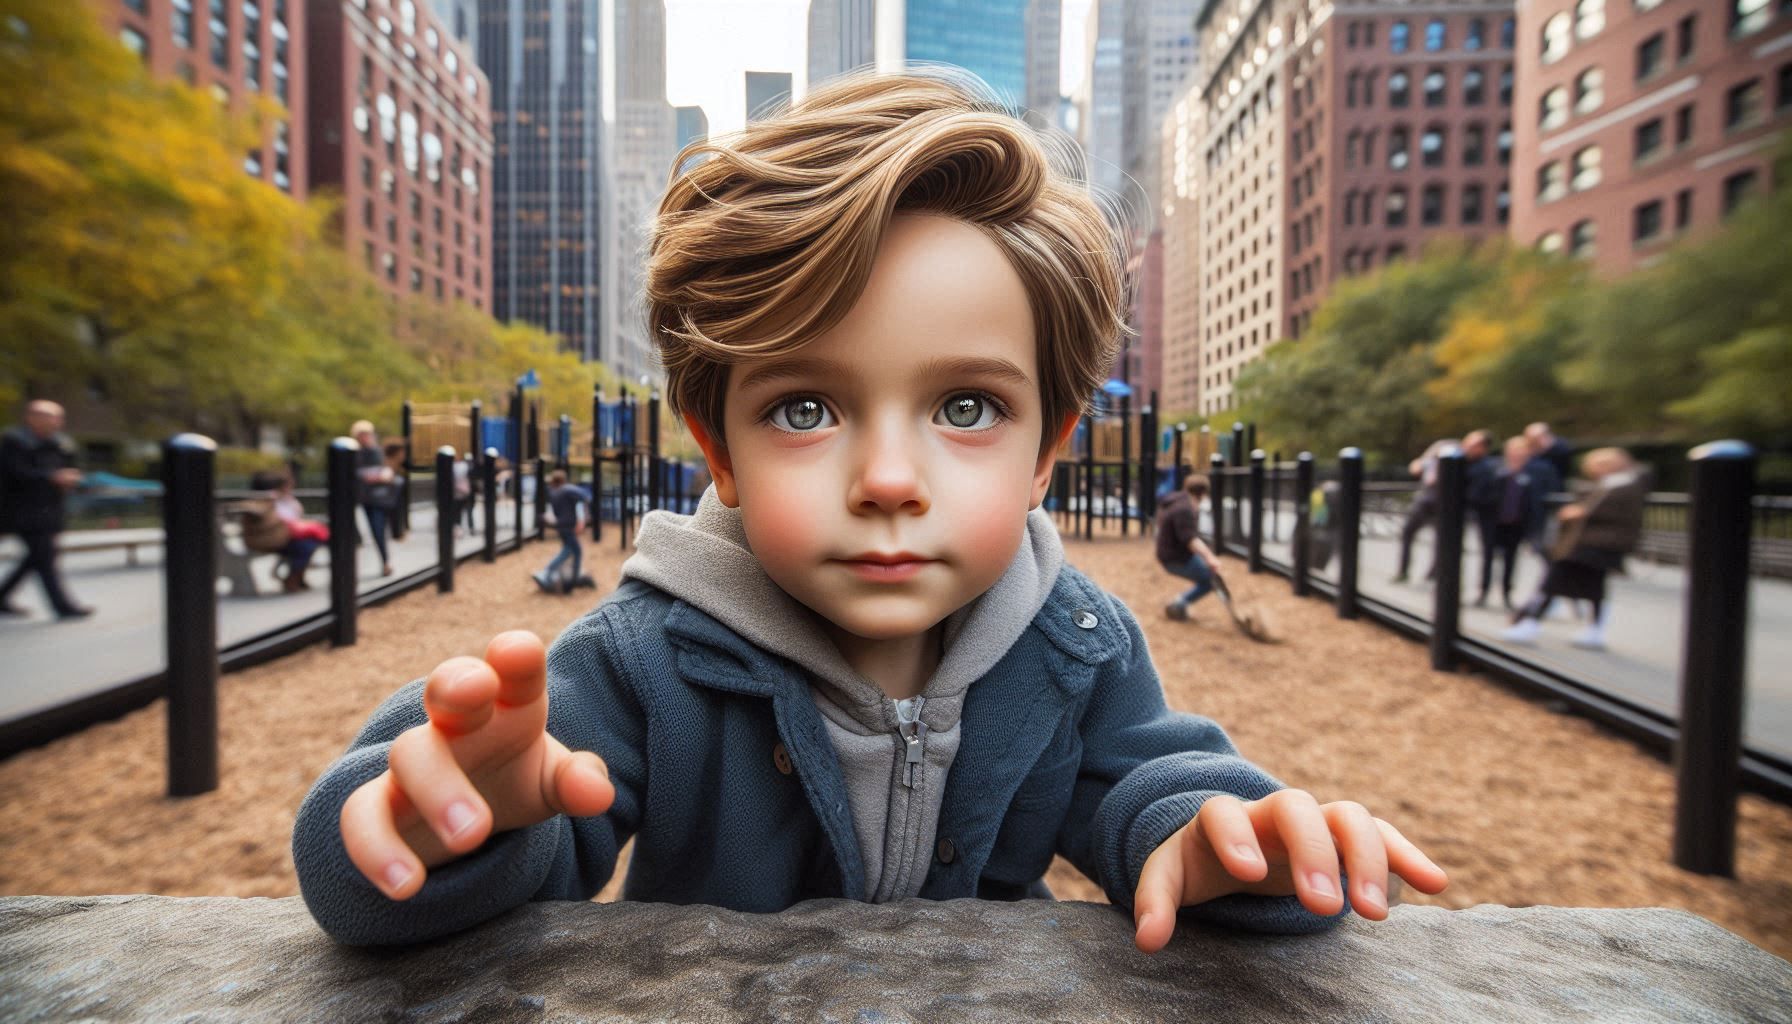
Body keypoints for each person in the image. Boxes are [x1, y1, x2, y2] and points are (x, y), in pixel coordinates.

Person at [293, 68, 1446, 952]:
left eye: (963, 405)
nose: (887, 477)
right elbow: (422, 874)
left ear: (1047, 451)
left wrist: (1224, 845)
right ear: (721, 450)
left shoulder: (1074, 648)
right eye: (803, 408)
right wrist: (455, 820)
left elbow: (1149, 788)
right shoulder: (650, 661)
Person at [1501, 448, 1649, 650]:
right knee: (1590, 586)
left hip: (1597, 544)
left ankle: (1530, 621)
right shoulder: (1618, 483)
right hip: (1594, 543)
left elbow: (1604, 511)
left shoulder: (1624, 484)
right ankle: (1591, 628)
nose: (1595, 471)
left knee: (1556, 580)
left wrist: (1579, 512)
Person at [0, 400, 92, 619]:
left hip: (50, 509)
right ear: (32, 418)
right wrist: (51, 477)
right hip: (21, 510)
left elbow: (73, 467)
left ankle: (2, 596)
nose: (56, 422)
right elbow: (15, 473)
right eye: (50, 417)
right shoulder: (14, 442)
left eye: (58, 417)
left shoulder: (61, 444)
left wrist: (73, 477)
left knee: (37, 556)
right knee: (45, 556)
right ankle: (63, 607)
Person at [1474, 437, 1546, 610]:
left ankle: (1507, 593)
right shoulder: (1492, 469)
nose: (1518, 454)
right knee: (1488, 557)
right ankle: (1483, 591)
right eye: (1515, 450)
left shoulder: (1534, 472)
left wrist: (1534, 526)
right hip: (1492, 522)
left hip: (1517, 524)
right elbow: (1477, 494)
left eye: (1522, 451)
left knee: (1511, 559)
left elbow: (1539, 499)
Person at [249, 469, 330, 593]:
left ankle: (297, 577)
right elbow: (284, 521)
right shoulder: (269, 501)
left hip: (284, 536)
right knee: (306, 546)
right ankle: (293, 579)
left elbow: (294, 517)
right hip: (273, 539)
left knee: (311, 542)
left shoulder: (286, 500)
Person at [1155, 474, 1218, 622]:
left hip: (1173, 553)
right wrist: (1210, 558)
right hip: (1174, 558)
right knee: (1210, 580)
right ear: (1202, 494)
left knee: (1209, 574)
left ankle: (1179, 604)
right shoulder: (1184, 509)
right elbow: (1191, 540)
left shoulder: (1178, 501)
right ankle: (1178, 605)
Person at [532, 470, 591, 594]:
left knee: (570, 551)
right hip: (569, 526)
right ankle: (549, 573)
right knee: (570, 552)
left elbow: (554, 512)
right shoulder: (568, 489)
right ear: (564, 479)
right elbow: (583, 499)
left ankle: (570, 576)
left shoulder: (553, 493)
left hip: (561, 526)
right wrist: (582, 520)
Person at [351, 420, 398, 577]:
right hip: (366, 498)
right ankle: (384, 561)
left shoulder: (379, 452)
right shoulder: (355, 454)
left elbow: (389, 470)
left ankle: (386, 561)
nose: (365, 437)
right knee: (375, 529)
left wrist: (382, 475)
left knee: (380, 528)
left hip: (382, 496)